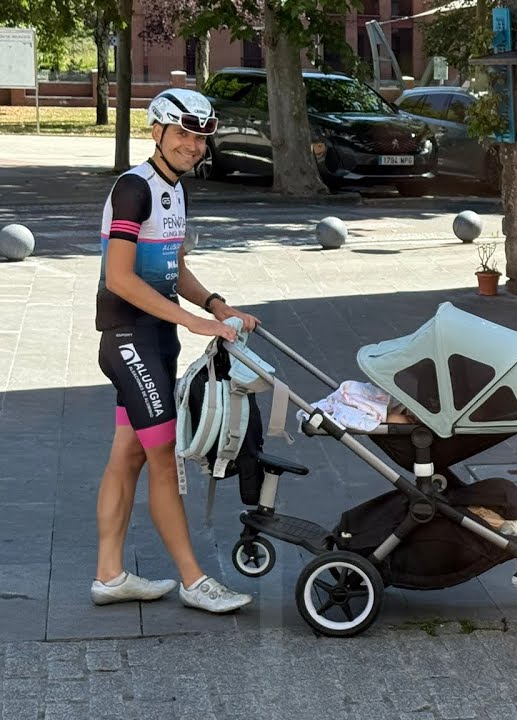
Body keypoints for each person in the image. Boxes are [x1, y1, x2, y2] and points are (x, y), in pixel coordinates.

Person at [91, 88, 258, 614]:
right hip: (129, 339)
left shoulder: (174, 189)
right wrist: (194, 320)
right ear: (157, 132)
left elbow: (171, 268)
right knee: (163, 457)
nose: (193, 145)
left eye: (200, 137)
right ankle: (194, 580)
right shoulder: (133, 189)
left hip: (155, 339)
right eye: (183, 134)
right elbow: (119, 277)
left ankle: (109, 575)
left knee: (130, 453)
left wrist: (216, 304)